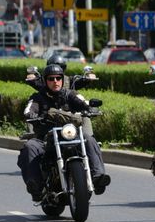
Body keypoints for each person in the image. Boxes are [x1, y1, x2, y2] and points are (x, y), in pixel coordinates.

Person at [17, 64, 110, 202]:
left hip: (70, 135)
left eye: (58, 78)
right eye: (51, 79)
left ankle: (98, 177)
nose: (55, 81)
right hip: (45, 138)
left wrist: (90, 107)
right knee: (30, 146)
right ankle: (36, 185)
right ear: (45, 80)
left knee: (89, 139)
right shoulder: (37, 97)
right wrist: (31, 114)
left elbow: (83, 101)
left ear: (62, 79)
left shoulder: (70, 94)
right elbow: (28, 109)